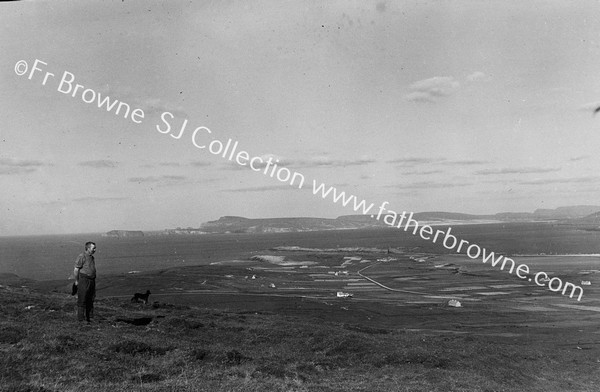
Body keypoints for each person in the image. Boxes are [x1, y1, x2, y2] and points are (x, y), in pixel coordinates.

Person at [73, 241, 97, 322]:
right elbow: (76, 270)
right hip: (84, 280)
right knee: (82, 299)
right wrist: (77, 281)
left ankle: (90, 318)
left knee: (91, 299)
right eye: (93, 248)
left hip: (92, 280)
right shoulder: (82, 256)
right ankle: (81, 320)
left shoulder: (92, 257)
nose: (95, 250)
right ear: (88, 248)